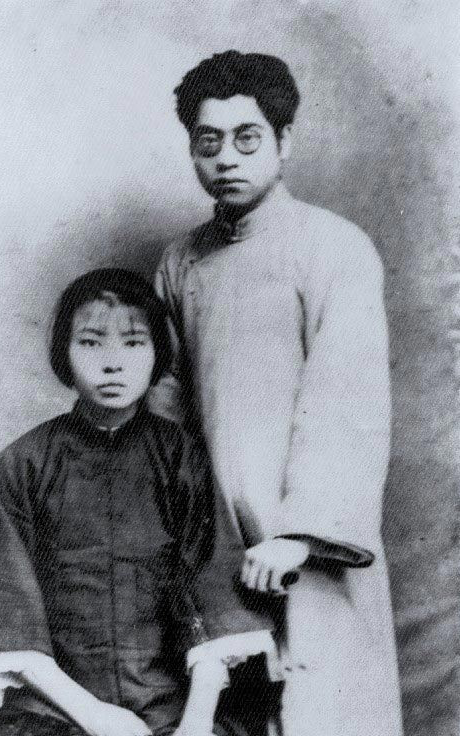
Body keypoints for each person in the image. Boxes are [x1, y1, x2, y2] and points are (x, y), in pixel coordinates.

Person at [152, 50, 403, 735]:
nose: (226, 159)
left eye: (247, 138)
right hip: (212, 543)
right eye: (208, 143)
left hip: (306, 544)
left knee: (321, 709)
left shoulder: (333, 247)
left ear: (283, 141)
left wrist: (300, 535)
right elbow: (167, 408)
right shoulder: (179, 263)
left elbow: (346, 401)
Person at [0, 268, 278, 736]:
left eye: (133, 343)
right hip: (53, 710)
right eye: (91, 343)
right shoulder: (23, 463)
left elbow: (213, 595)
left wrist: (195, 723)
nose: (112, 364)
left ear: (157, 354)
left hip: (171, 708)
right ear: (64, 354)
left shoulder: (180, 457)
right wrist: (95, 716)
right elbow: (7, 613)